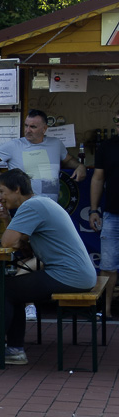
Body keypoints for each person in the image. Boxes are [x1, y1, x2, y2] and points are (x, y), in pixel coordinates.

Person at [0, 169, 97, 367]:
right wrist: (8, 221)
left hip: (69, 275)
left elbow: (8, 242)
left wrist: (8, 222)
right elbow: (21, 243)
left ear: (17, 189)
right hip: (78, 274)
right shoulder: (40, 203)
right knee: (14, 290)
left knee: (6, 290)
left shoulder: (31, 206)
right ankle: (14, 351)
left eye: (1, 191)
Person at [0, 108, 86, 200]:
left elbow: (68, 160)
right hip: (24, 205)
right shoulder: (14, 145)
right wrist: (2, 179)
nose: (27, 130)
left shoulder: (56, 144)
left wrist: (80, 166)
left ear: (44, 129)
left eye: (33, 127)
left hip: (51, 205)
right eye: (26, 126)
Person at [89, 112, 119, 318]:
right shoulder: (107, 147)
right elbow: (98, 178)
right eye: (117, 120)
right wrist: (93, 209)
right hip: (112, 213)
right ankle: (104, 309)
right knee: (107, 266)